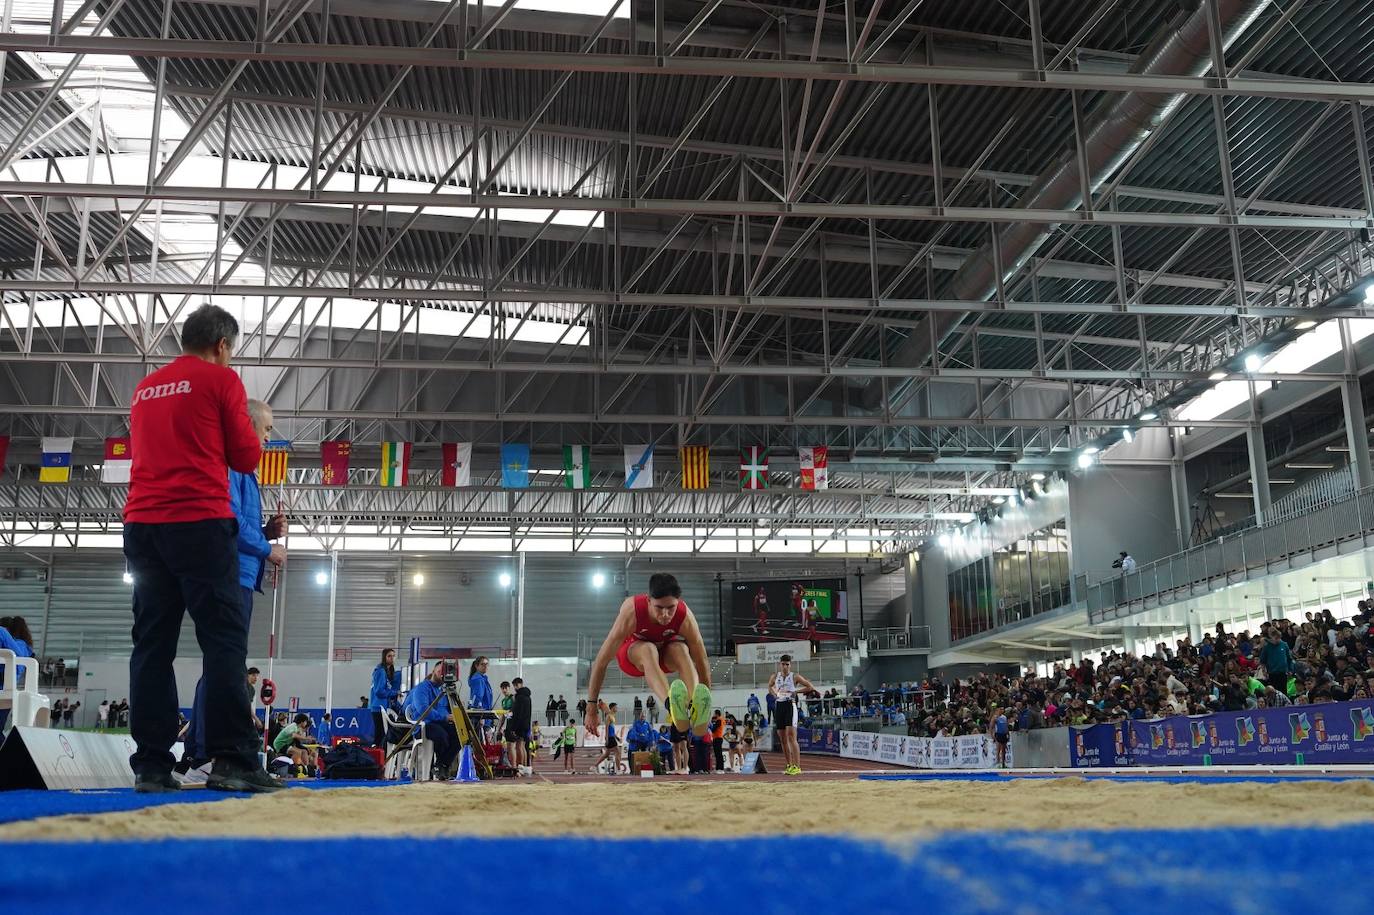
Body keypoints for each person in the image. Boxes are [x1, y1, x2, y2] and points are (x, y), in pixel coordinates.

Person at [124, 305, 283, 794]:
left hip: (144, 523)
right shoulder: (221, 381)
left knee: (152, 646)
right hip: (199, 521)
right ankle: (234, 759)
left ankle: (152, 764)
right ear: (221, 345)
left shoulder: (146, 387)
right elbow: (244, 455)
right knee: (223, 643)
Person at [583, 573, 713, 739]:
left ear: (678, 602)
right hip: (632, 656)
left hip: (664, 654)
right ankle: (671, 705)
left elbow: (701, 659)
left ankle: (695, 705)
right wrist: (591, 708)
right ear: (649, 600)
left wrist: (706, 700)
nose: (665, 614)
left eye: (671, 608)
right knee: (648, 649)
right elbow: (601, 661)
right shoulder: (632, 612)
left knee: (681, 648)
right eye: (659, 608)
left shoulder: (685, 617)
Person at [403, 661, 460, 779]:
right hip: (423, 725)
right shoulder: (422, 688)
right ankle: (440, 767)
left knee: (460, 734)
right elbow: (423, 709)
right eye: (440, 671)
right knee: (442, 735)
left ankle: (442, 764)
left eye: (444, 672)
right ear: (433, 671)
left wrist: (450, 717)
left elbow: (443, 709)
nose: (442, 674)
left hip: (438, 723)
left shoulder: (442, 691)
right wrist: (444, 717)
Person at [768, 654, 815, 776]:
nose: (785, 667)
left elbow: (810, 687)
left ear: (790, 665)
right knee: (782, 737)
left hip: (790, 705)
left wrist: (796, 691)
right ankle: (789, 765)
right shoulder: (775, 676)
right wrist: (775, 695)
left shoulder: (795, 676)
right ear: (780, 664)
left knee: (791, 736)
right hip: (779, 706)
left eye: (787, 664)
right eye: (783, 664)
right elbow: (769, 686)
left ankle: (797, 766)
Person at [369, 648, 402, 748]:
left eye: (393, 656)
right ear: (384, 657)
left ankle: (379, 756)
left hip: (381, 706)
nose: (392, 658)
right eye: (389, 656)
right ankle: (378, 757)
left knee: (381, 734)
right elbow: (379, 691)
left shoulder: (386, 672)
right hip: (378, 707)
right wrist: (395, 693)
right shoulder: (380, 671)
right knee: (380, 735)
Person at [509, 676, 533, 775]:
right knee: (522, 746)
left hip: (520, 724)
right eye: (514, 685)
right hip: (526, 724)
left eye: (516, 685)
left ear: (521, 684)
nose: (515, 687)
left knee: (519, 746)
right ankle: (524, 767)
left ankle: (520, 767)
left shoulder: (519, 697)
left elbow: (517, 714)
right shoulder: (528, 697)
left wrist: (514, 727)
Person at [591, 702, 621, 775]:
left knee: (606, 754)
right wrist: (607, 738)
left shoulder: (613, 716)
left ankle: (594, 766)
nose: (617, 708)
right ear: (612, 708)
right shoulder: (608, 716)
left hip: (612, 736)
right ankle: (619, 770)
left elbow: (612, 729)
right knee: (618, 752)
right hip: (610, 737)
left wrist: (617, 737)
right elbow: (607, 728)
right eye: (616, 707)